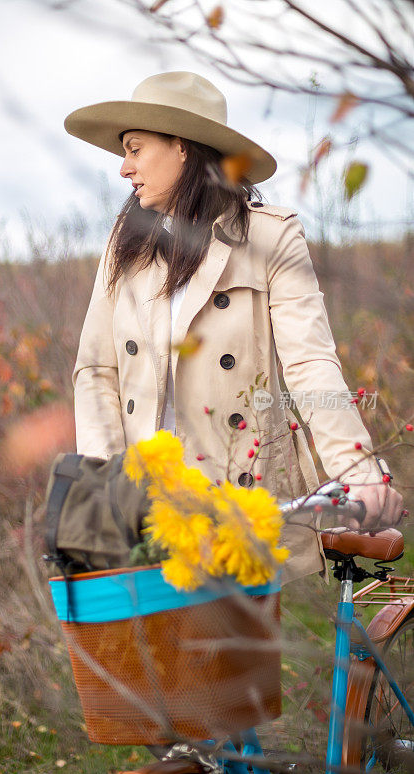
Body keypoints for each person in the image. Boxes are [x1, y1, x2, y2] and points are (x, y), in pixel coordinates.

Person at [64, 71, 404, 583]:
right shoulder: (126, 248)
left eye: (134, 149)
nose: (123, 168)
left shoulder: (271, 237)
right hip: (147, 515)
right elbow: (95, 371)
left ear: (181, 147)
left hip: (242, 510)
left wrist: (358, 473)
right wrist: (108, 487)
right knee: (142, 663)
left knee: (233, 662)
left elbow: (310, 364)